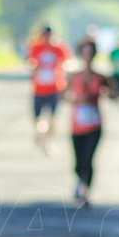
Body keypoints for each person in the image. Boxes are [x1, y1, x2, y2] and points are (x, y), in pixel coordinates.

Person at [65, 38, 118, 207]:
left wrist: (107, 92)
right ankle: (80, 181)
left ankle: (85, 192)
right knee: (78, 161)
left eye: (91, 52)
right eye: (85, 52)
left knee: (88, 158)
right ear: (81, 54)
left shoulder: (101, 76)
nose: (88, 56)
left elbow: (115, 94)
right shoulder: (74, 76)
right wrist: (75, 97)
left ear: (94, 54)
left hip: (94, 125)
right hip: (77, 125)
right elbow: (63, 94)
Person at [26, 25, 70, 155]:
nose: (47, 38)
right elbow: (30, 61)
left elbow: (67, 61)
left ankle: (49, 141)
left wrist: (66, 71)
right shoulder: (36, 47)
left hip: (54, 88)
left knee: (52, 117)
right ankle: (40, 134)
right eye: (44, 35)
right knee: (37, 117)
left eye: (49, 35)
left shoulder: (59, 47)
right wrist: (32, 66)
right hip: (39, 88)